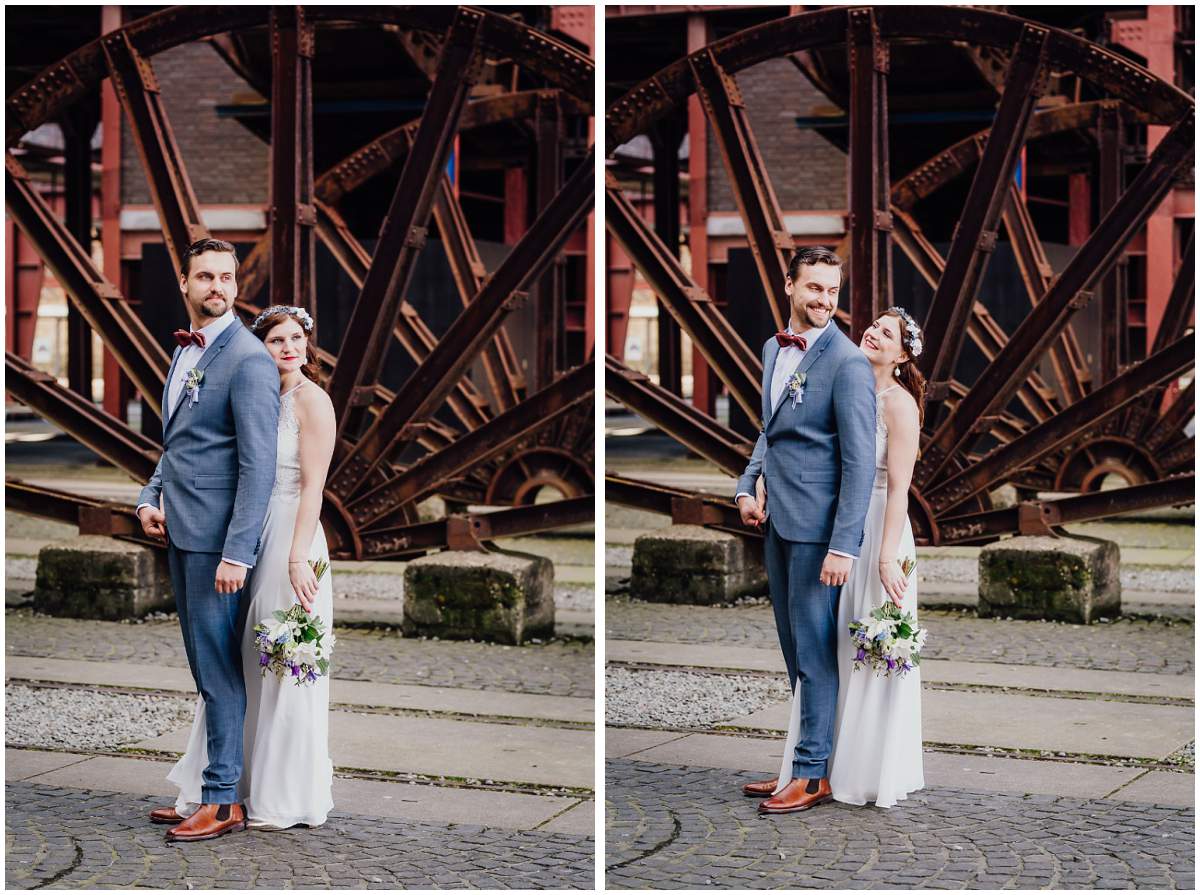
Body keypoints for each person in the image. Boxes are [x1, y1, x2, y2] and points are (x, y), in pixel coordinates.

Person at [166, 304, 338, 831]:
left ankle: (279, 793)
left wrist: (295, 555)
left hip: (292, 536)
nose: (288, 348)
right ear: (260, 348)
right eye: (276, 340)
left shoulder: (314, 402)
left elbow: (313, 486)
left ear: (308, 345)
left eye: (296, 339)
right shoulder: (262, 391)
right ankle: (223, 786)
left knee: (281, 663)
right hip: (251, 534)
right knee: (238, 659)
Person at [136, 238, 279, 841]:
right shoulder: (187, 352)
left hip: (217, 546)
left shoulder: (247, 359)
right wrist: (149, 497)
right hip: (181, 533)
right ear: (185, 284)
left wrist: (236, 555)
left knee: (218, 671)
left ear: (238, 285)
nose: (216, 286)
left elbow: (259, 468)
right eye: (205, 277)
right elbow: (181, 443)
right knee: (203, 668)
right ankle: (205, 785)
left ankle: (222, 801)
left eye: (226, 277)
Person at [733, 246, 876, 815]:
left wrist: (845, 544)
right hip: (776, 524)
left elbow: (860, 463)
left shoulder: (847, 363)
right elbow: (769, 430)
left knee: (816, 653)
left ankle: (813, 773)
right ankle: (799, 755)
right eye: (814, 288)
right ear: (789, 285)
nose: (824, 300)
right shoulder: (773, 348)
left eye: (833, 291)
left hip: (820, 534)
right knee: (793, 650)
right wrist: (747, 486)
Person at [824, 307, 926, 807]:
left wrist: (887, 558)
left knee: (874, 645)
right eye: (874, 326)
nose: (875, 334)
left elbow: (901, 489)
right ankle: (820, 762)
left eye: (888, 334)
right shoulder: (848, 385)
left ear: (902, 356)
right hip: (845, 525)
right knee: (836, 646)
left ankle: (866, 771)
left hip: (882, 529)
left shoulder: (899, 405)